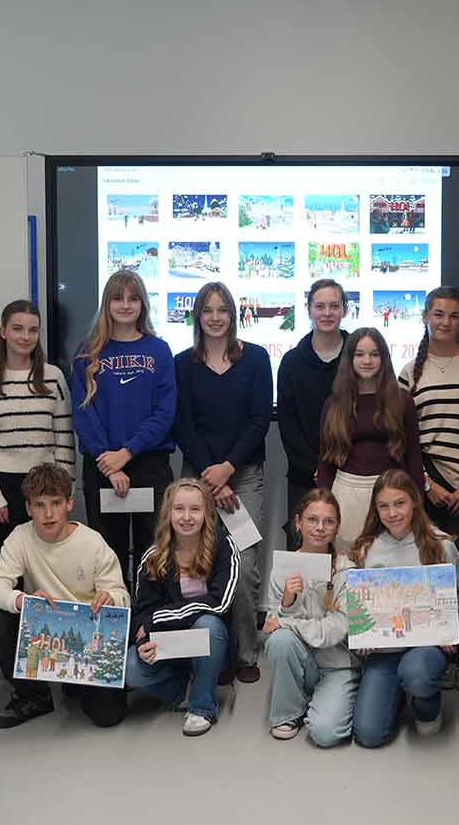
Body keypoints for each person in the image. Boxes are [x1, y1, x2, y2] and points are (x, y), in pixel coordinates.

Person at [0, 462, 130, 730]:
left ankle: (81, 684)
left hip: (87, 636)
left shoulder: (92, 541)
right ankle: (33, 695)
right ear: (28, 508)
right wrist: (20, 600)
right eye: (39, 505)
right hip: (45, 631)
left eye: (56, 503)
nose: (48, 514)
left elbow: (121, 595)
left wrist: (110, 597)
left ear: (70, 503)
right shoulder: (20, 537)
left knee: (107, 717)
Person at [173, 281, 273, 685]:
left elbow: (259, 419)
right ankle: (199, 653)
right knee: (193, 563)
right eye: (208, 310)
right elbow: (182, 423)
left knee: (244, 566)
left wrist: (228, 469)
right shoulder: (182, 363)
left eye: (223, 310)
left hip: (244, 476)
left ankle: (246, 652)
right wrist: (211, 476)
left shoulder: (257, 358)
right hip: (196, 479)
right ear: (197, 316)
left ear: (233, 314)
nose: (215, 318)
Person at [399, 287, 459, 651]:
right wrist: (427, 485)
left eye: (453, 315)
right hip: (427, 486)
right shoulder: (409, 372)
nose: (445, 322)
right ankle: (432, 652)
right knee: (429, 572)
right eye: (438, 314)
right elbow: (401, 438)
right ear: (426, 317)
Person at [348, 469, 459, 747]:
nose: (392, 513)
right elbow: (358, 603)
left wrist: (449, 628)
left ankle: (427, 705)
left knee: (418, 674)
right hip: (384, 651)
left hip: (425, 648)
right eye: (384, 506)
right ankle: (397, 692)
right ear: (375, 509)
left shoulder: (441, 546)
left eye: (399, 503)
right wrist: (360, 634)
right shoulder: (367, 549)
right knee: (368, 735)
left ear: (414, 500)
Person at [73, 270, 177, 588]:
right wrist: (109, 461)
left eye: (133, 298)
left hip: (148, 465)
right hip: (102, 466)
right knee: (108, 557)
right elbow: (83, 413)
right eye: (118, 298)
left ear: (143, 304)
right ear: (107, 303)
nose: (126, 305)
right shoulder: (86, 353)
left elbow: (165, 412)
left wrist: (127, 452)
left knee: (154, 554)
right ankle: (116, 616)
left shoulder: (159, 350)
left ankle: (149, 617)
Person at [0, 299, 77, 563]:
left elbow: (64, 440)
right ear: (3, 331)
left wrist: (66, 491)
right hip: (2, 484)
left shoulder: (54, 377)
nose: (26, 337)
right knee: (7, 566)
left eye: (33, 330)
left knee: (48, 564)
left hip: (47, 484)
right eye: (17, 328)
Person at [127, 479, 238, 736]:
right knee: (131, 668)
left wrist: (157, 619)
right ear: (168, 513)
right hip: (169, 644)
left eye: (195, 509)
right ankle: (181, 691)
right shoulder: (153, 556)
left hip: (212, 644)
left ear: (207, 514)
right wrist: (143, 640)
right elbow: (143, 613)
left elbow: (219, 603)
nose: (186, 517)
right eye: (179, 509)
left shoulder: (224, 546)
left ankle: (202, 707)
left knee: (207, 623)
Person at [264, 488, 359, 747]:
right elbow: (272, 626)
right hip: (302, 661)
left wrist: (287, 621)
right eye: (312, 520)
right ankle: (288, 712)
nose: (320, 528)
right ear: (298, 522)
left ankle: (327, 698)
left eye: (328, 521)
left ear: (336, 527)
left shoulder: (347, 570)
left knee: (326, 734)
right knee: (280, 641)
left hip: (337, 665)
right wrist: (287, 602)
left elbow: (338, 627)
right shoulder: (284, 566)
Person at [316, 328, 423, 551]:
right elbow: (326, 462)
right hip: (347, 495)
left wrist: (417, 504)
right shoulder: (333, 404)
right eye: (360, 354)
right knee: (348, 561)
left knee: (392, 559)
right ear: (350, 359)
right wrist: (323, 506)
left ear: (384, 358)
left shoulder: (402, 400)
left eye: (374, 354)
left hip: (392, 496)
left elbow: (414, 457)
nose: (367, 361)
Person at [277, 279, 348, 549]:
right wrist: (315, 469)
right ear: (308, 310)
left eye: (334, 306)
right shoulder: (292, 362)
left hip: (351, 476)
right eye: (320, 306)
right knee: (302, 557)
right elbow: (288, 424)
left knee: (349, 552)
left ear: (344, 309)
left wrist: (339, 468)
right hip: (303, 477)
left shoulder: (358, 357)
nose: (327, 313)